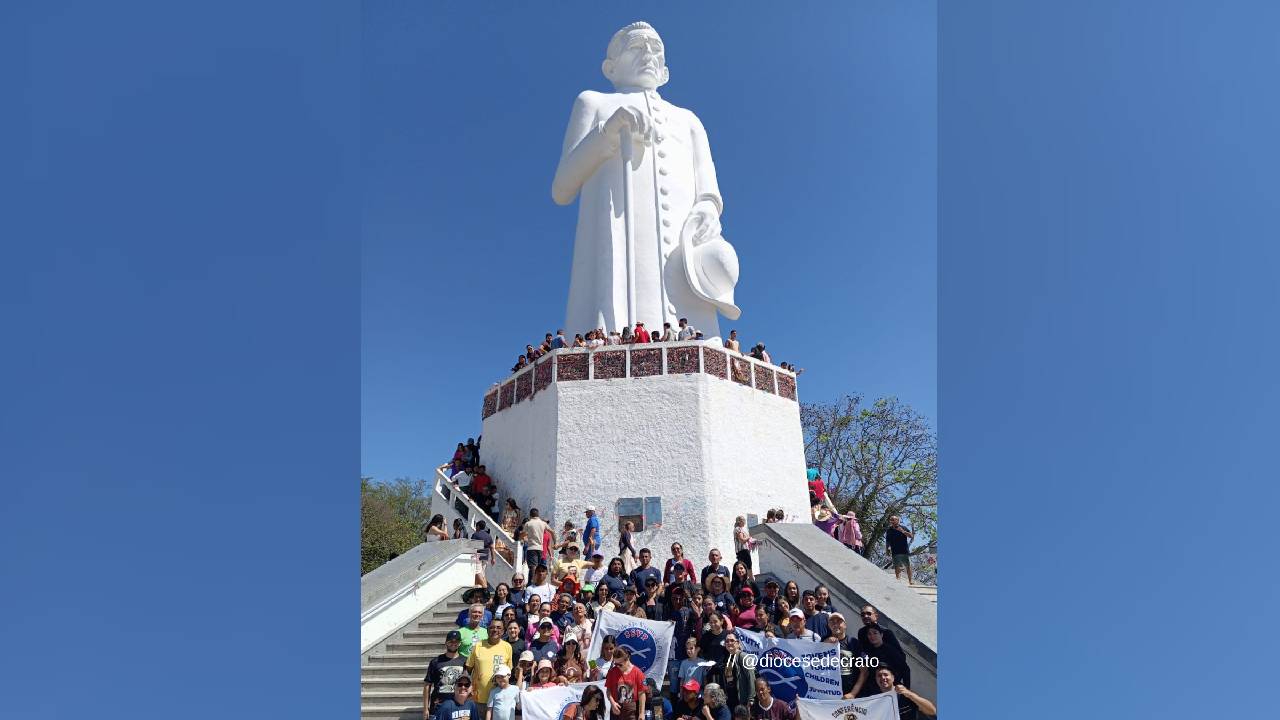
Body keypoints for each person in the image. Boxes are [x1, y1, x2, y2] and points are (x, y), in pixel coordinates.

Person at [466, 618, 513, 706]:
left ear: (503, 631)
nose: (495, 630)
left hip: (500, 698)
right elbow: (468, 668)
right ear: (487, 630)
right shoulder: (478, 646)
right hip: (479, 699)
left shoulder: (507, 647)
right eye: (492, 627)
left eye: (499, 628)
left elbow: (508, 671)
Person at [424, 630, 468, 717]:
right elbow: (427, 685)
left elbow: (469, 685)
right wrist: (425, 708)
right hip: (438, 706)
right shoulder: (435, 662)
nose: (453, 643)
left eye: (456, 642)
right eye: (450, 641)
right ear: (446, 643)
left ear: (460, 643)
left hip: (458, 706)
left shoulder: (465, 661)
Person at [824, 612, 867, 699]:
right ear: (829, 626)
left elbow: (864, 671)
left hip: (848, 695)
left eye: (839, 621)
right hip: (828, 695)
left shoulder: (853, 643)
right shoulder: (823, 640)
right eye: (832, 622)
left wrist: (853, 694)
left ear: (845, 625)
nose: (835, 624)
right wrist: (824, 645)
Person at [859, 625, 911, 694]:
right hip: (874, 690)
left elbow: (905, 669)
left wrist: (907, 690)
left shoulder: (891, 650)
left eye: (875, 633)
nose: (872, 636)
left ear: (881, 635)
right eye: (869, 634)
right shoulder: (868, 652)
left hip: (891, 690)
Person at [605, 645, 648, 720]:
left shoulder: (637, 672)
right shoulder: (612, 672)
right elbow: (608, 690)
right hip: (616, 712)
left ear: (627, 659)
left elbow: (641, 694)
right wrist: (612, 703)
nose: (617, 666)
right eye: (616, 664)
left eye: (620, 664)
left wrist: (641, 713)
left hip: (631, 713)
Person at [720, 633, 755, 710]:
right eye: (727, 641)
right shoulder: (727, 658)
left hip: (743, 701)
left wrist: (751, 698)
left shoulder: (744, 656)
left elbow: (751, 678)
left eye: (732, 640)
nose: (729, 643)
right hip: (731, 700)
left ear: (738, 643)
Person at [885, 515, 915, 584]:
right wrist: (887, 550)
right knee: (896, 565)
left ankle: (910, 580)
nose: (891, 521)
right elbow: (888, 541)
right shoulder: (889, 530)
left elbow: (911, 536)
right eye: (891, 520)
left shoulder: (903, 527)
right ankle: (898, 579)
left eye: (893, 520)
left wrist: (903, 531)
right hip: (895, 550)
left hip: (904, 550)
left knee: (908, 565)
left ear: (897, 521)